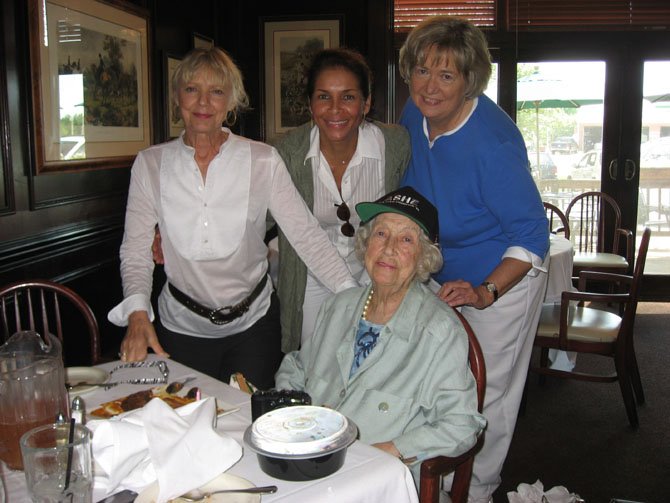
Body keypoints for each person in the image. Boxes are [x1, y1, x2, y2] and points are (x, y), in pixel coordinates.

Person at [108, 47, 357, 390]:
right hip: (180, 330)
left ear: (231, 101)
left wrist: (353, 297)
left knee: (250, 425)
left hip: (253, 328)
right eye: (192, 89)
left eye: (216, 91)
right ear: (177, 96)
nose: (203, 103)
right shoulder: (150, 164)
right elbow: (135, 248)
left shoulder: (262, 160)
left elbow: (306, 236)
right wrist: (137, 313)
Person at [398, 16, 550, 502]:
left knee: (489, 392)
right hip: (440, 273)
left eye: (446, 75)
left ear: (469, 81)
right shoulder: (411, 114)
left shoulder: (493, 144)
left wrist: (486, 290)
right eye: (422, 70)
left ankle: (476, 490)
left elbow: (531, 235)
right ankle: (434, 476)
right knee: (437, 378)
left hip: (502, 276)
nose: (430, 86)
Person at [275, 186, 486, 486]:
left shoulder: (439, 331)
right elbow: (296, 367)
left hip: (377, 482)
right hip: (310, 461)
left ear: (423, 256)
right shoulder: (337, 307)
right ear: (366, 243)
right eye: (381, 234)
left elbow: (462, 424)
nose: (389, 249)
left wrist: (390, 451)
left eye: (406, 240)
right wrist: (292, 416)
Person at [273, 48, 410, 352]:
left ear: (366, 103)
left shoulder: (395, 145)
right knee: (315, 359)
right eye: (323, 97)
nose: (335, 109)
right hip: (313, 276)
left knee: (373, 360)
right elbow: (254, 211)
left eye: (348, 97)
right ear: (310, 104)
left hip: (376, 271)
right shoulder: (289, 154)